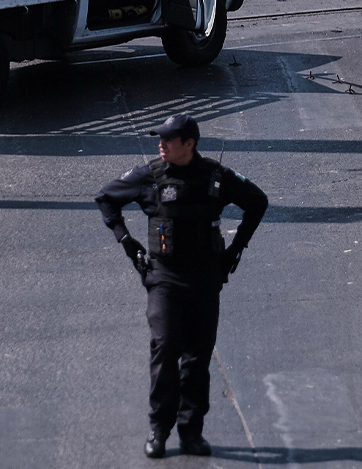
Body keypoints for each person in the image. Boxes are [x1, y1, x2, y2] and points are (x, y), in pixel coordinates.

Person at [95, 113, 267, 459]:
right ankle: (159, 429)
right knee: (165, 347)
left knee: (197, 357)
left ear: (189, 144)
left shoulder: (216, 177)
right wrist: (127, 242)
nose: (161, 144)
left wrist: (234, 251)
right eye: (159, 138)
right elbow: (106, 197)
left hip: (205, 278)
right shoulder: (149, 176)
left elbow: (257, 202)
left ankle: (191, 432)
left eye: (168, 140)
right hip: (164, 277)